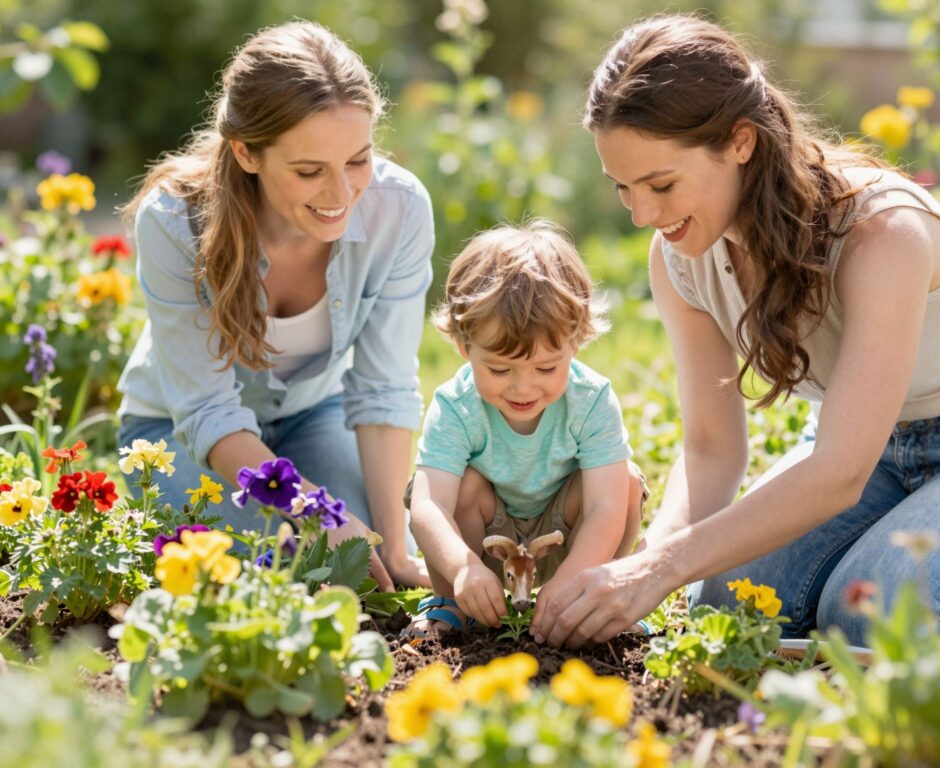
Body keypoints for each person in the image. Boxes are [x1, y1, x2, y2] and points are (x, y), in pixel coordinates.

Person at [531, 14, 940, 648]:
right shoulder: (680, 255)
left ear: (740, 141)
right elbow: (712, 449)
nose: (643, 215)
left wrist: (658, 569)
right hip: (868, 451)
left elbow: (839, 472)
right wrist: (647, 562)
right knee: (727, 606)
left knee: (871, 615)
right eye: (624, 188)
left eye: (661, 184)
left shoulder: (883, 234)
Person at [117, 21, 436, 589]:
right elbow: (208, 413)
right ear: (246, 152)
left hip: (315, 416)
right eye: (310, 171)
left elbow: (383, 389)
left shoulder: (400, 209)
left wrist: (396, 546)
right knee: (284, 563)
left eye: (358, 161)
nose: (341, 196)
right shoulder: (175, 222)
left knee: (368, 560)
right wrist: (317, 514)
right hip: (174, 435)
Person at [406, 222, 647, 632]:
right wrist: (463, 567)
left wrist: (573, 576)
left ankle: (598, 594)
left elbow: (605, 507)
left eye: (546, 367)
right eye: (499, 369)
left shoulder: (589, 400)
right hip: (483, 540)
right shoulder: (457, 405)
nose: (522, 386)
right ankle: (450, 603)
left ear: (576, 341)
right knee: (460, 485)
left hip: (566, 535)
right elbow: (428, 507)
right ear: (465, 348)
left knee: (623, 483)